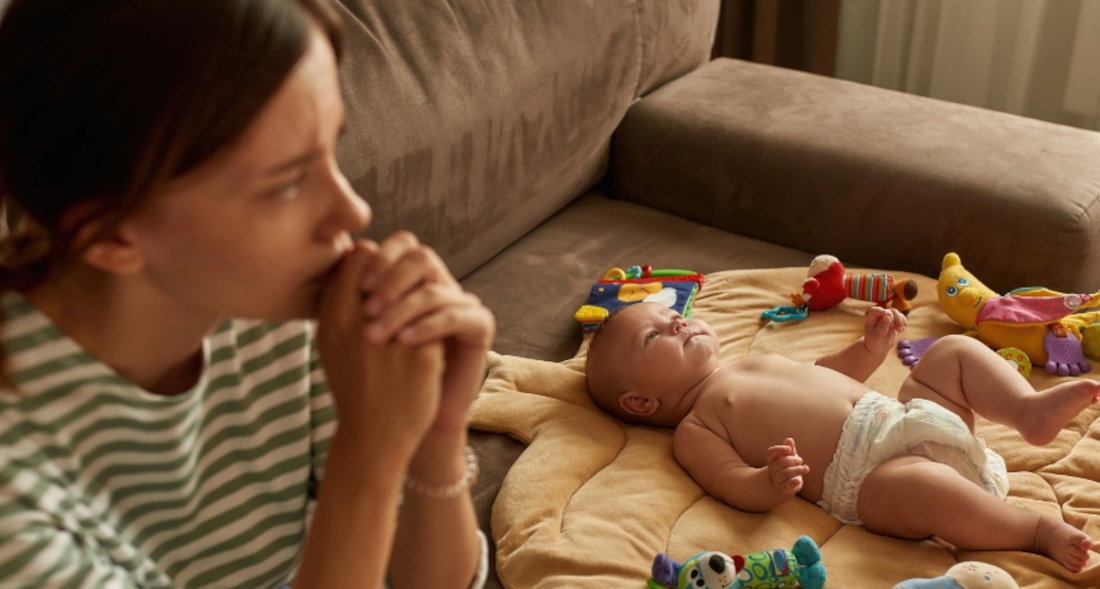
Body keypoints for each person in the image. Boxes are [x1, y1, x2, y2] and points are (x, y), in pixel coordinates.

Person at [0, 1, 492, 588]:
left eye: (330, 150)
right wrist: (370, 449)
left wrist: (433, 434)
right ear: (110, 235)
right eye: (286, 183)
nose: (353, 210)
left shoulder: (283, 312)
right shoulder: (15, 503)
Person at [585, 301, 1099, 573]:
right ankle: (1033, 532)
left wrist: (869, 349)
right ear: (639, 402)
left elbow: (828, 372)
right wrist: (769, 481)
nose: (677, 322)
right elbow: (730, 482)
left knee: (947, 355)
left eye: (672, 315)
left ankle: (1027, 410)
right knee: (921, 487)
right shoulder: (696, 428)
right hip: (870, 478)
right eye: (654, 335)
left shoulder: (752, 359)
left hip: (906, 416)